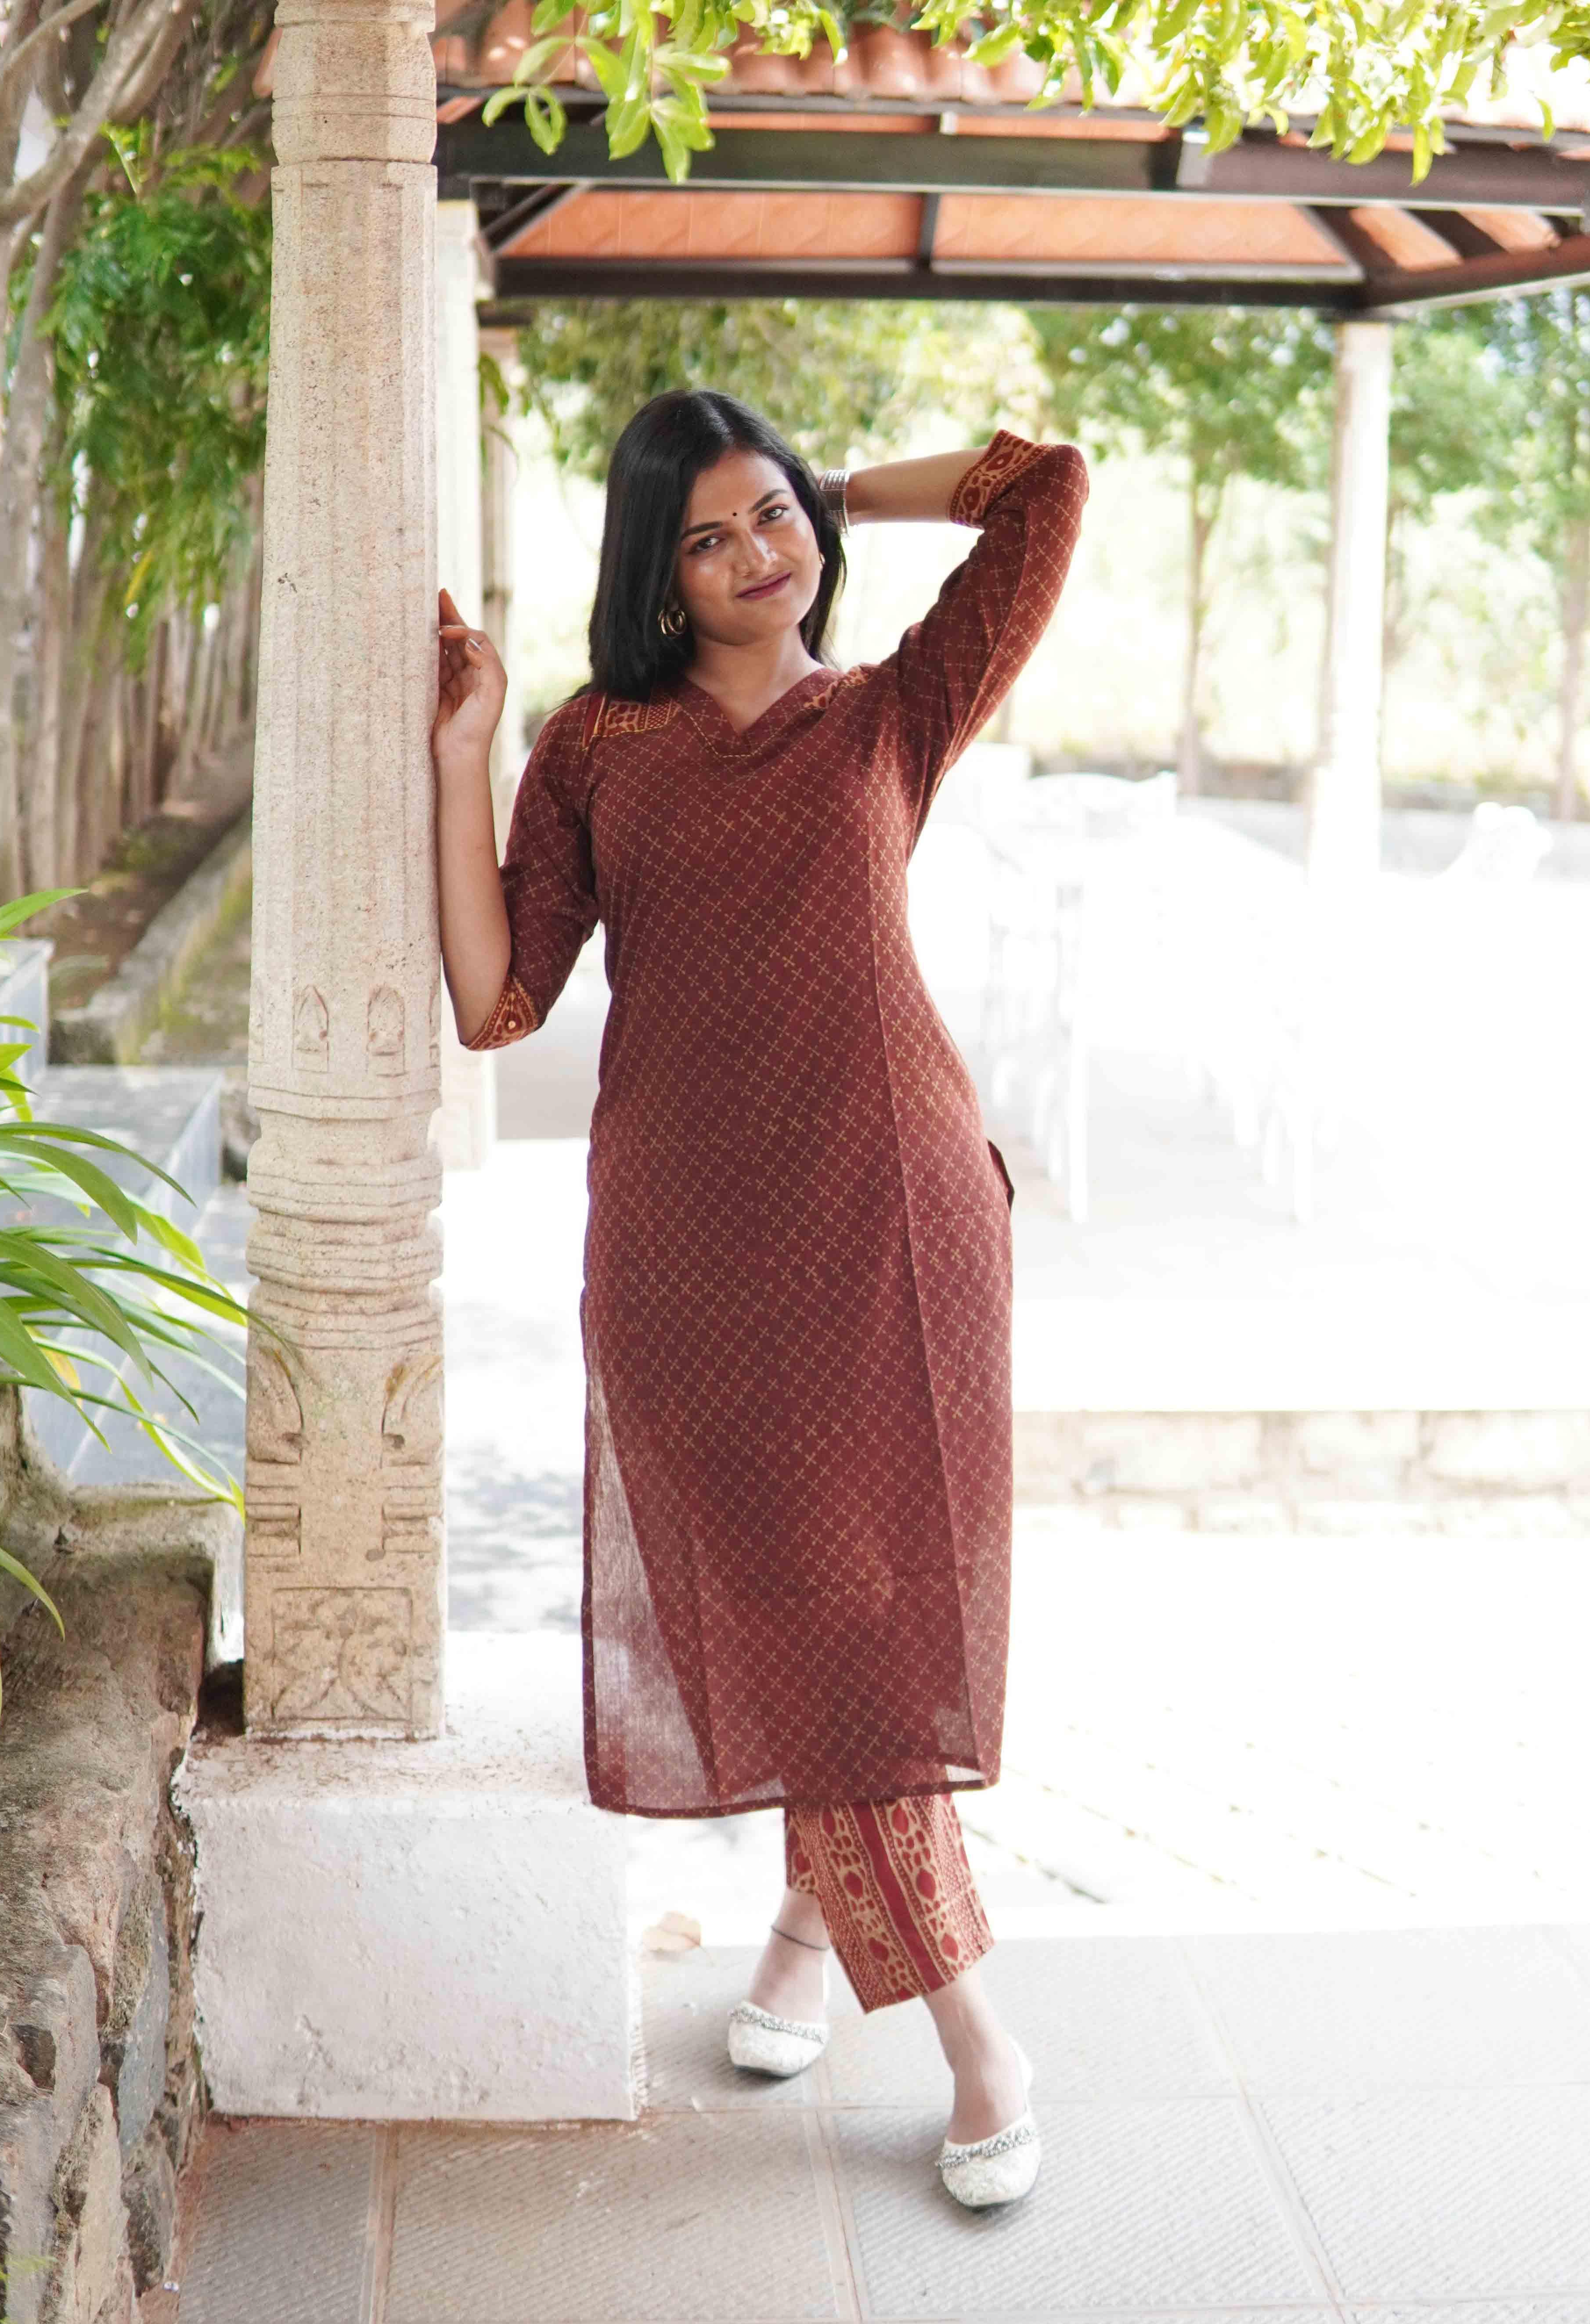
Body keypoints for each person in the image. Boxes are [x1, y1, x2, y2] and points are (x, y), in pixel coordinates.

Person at [433, 391, 1087, 2208]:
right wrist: (465, 749)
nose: (754, 557)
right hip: (694, 1253)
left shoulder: (891, 709)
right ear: (657, 572)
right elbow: (496, 1003)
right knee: (807, 1614)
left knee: (860, 1623)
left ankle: (937, 2019)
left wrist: (836, 482)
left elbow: (1046, 494)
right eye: (707, 536)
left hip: (893, 1225)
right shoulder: (598, 745)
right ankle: (860, 1968)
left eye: (772, 517)